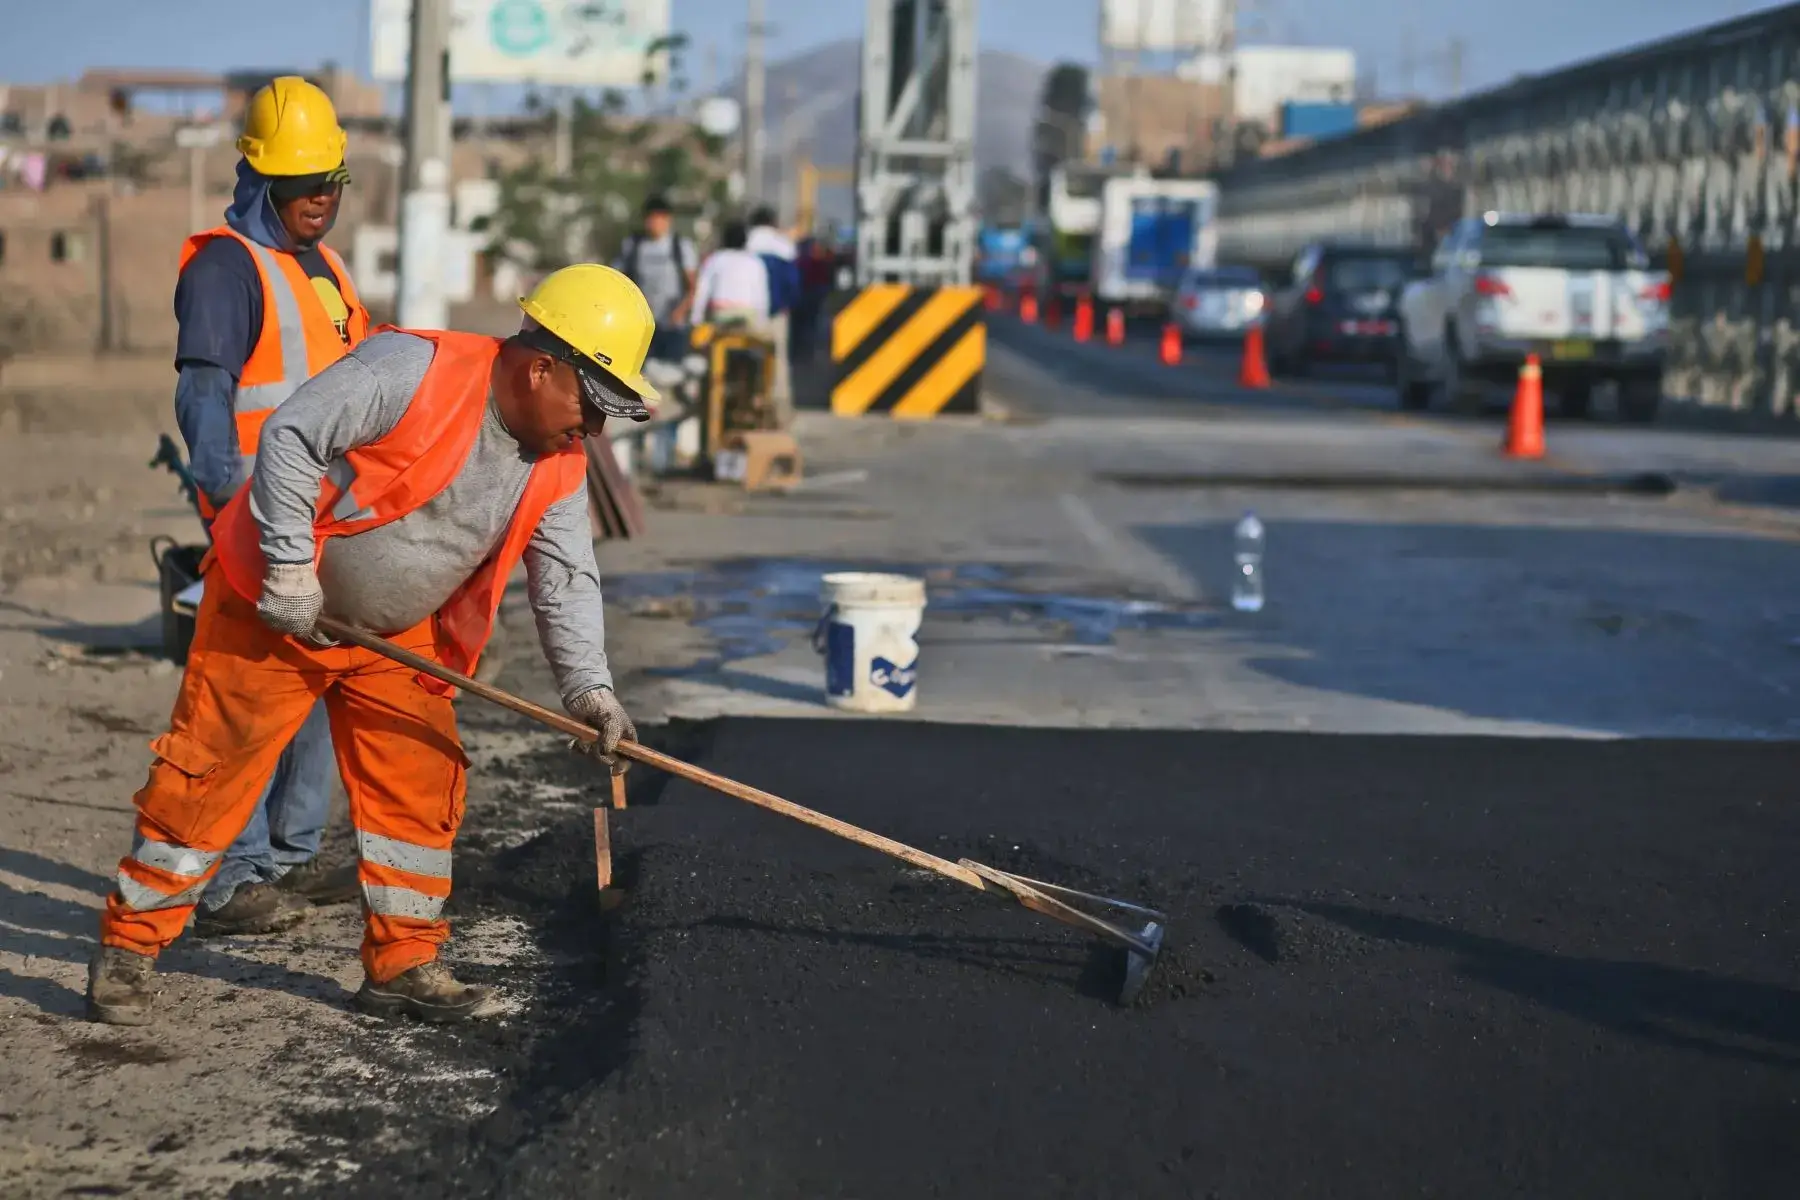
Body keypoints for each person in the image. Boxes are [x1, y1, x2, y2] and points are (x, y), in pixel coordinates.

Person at [87, 264, 654, 1027]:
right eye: (591, 405)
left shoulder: (558, 464)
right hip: (274, 606)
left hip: (393, 637)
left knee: (419, 788)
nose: (594, 428)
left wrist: (591, 691)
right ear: (542, 367)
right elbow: (291, 436)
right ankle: (129, 947)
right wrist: (290, 570)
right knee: (206, 776)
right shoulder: (413, 369)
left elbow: (565, 577)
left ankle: (403, 964)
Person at [170, 75, 367, 938]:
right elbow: (204, 397)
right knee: (247, 702)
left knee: (317, 688)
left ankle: (285, 855)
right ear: (259, 177)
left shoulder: (321, 267)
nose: (321, 199)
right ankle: (229, 873)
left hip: (328, 517)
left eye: (332, 182)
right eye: (303, 184)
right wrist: (223, 506)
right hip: (255, 517)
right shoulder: (225, 266)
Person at [613, 193, 697, 363]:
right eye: (650, 218)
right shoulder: (632, 246)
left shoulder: (681, 247)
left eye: (658, 218)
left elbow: (692, 287)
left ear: (668, 219)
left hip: (672, 327)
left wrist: (680, 312)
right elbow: (617, 280)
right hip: (640, 327)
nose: (654, 223)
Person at [746, 206, 801, 425]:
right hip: (777, 313)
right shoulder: (783, 245)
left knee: (750, 361)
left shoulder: (745, 243)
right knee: (778, 362)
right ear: (773, 222)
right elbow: (793, 283)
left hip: (749, 314)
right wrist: (788, 305)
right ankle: (780, 415)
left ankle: (750, 406)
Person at [691, 219, 771, 327]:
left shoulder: (715, 259)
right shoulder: (756, 262)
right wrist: (762, 322)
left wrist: (696, 319)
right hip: (748, 315)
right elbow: (762, 295)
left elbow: (702, 290)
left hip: (720, 313)